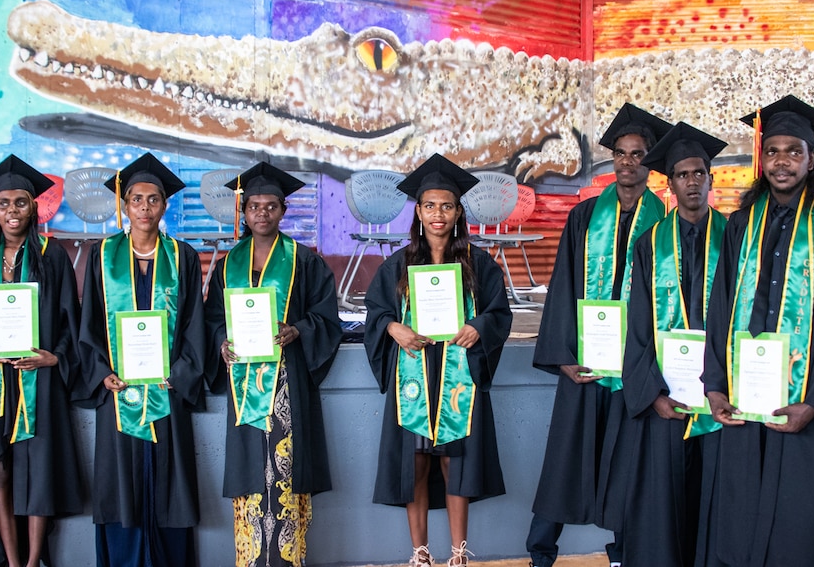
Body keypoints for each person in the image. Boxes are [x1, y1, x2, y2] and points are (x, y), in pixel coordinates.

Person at [527, 104, 673, 567]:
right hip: (587, 363)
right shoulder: (585, 216)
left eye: (638, 154)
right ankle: (540, 552)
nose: (628, 162)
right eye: (621, 154)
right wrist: (563, 355)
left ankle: (622, 552)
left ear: (651, 163)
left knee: (629, 465)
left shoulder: (665, 224)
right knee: (566, 459)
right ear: (612, 160)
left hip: (636, 366)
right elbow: (565, 285)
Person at [703, 95, 814, 566]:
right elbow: (720, 309)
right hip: (746, 401)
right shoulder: (741, 223)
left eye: (793, 151)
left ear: (811, 158)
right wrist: (715, 386)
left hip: (806, 406)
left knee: (799, 528)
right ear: (762, 160)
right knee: (741, 520)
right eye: (774, 151)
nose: (782, 161)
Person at [364, 154, 512, 567]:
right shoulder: (397, 264)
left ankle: (459, 552)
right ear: (418, 211)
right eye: (430, 206)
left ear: (459, 211)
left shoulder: (478, 263)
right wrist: (394, 329)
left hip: (457, 372)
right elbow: (376, 313)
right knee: (413, 462)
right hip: (414, 370)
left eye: (446, 206)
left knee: (454, 459)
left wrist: (479, 326)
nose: (438, 214)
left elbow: (500, 313)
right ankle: (420, 552)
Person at [204, 162, 342, 567]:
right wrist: (220, 344)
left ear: (283, 211)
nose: (261, 213)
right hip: (244, 382)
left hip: (287, 381)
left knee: (286, 469)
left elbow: (327, 318)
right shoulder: (228, 264)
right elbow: (213, 319)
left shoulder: (305, 261)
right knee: (252, 471)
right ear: (243, 212)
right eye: (253, 207)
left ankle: (288, 558)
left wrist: (297, 330)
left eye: (270, 206)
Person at [76, 152, 205, 567]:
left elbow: (193, 323)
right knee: (121, 482)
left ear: (165, 205)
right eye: (136, 199)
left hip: (166, 390)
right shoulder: (102, 255)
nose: (145, 207)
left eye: (153, 199)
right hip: (120, 393)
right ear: (124, 205)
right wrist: (102, 373)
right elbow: (90, 322)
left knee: (169, 479)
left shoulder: (182, 256)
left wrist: (180, 372)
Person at [619, 123, 727, 566]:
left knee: (716, 499)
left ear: (710, 178)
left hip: (723, 399)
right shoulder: (650, 244)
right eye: (683, 174)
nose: (693, 181)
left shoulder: (738, 237)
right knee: (666, 500)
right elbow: (638, 325)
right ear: (670, 183)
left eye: (700, 173)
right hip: (669, 399)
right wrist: (653, 394)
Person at [0, 156, 82, 567]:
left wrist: (55, 356)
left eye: (20, 203)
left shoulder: (51, 255)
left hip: (38, 375)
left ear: (33, 207)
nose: (12, 211)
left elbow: (70, 320)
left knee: (39, 469)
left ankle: (36, 559)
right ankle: (14, 559)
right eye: (3, 203)